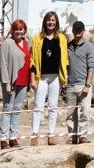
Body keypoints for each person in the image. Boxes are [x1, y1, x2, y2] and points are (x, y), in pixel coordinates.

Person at [29, 11, 68, 146]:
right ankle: (34, 134)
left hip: (55, 77)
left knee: (53, 107)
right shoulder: (37, 39)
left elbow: (65, 59)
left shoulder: (62, 38)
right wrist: (32, 78)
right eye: (48, 20)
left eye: (53, 20)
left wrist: (65, 76)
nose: (51, 22)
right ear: (45, 22)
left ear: (56, 22)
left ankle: (51, 135)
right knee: (38, 106)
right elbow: (32, 60)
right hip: (42, 77)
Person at [0, 19, 31, 149]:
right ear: (12, 30)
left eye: (21, 29)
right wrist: (6, 82)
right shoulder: (7, 43)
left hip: (23, 80)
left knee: (17, 109)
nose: (19, 31)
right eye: (16, 29)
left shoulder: (27, 43)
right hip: (11, 80)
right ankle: (3, 139)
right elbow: (3, 63)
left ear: (24, 31)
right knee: (7, 109)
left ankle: (13, 138)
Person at [65, 20, 94, 144]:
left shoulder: (89, 47)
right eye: (75, 29)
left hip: (83, 84)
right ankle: (72, 137)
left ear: (83, 31)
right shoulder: (68, 46)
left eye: (80, 29)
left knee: (85, 111)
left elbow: (91, 67)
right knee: (71, 113)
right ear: (72, 31)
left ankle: (82, 136)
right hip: (71, 85)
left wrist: (87, 85)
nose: (77, 31)